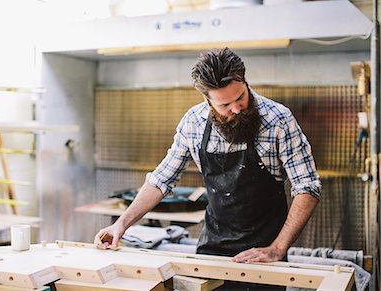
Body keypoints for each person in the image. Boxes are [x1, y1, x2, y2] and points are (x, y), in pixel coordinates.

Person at [94, 48, 321, 290]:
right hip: (211, 250)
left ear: (245, 81)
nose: (236, 109)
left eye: (240, 98)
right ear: (207, 100)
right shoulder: (193, 123)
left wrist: (277, 249)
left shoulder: (279, 120)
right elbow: (161, 180)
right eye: (225, 105)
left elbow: (307, 187)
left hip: (263, 253)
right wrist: (121, 224)